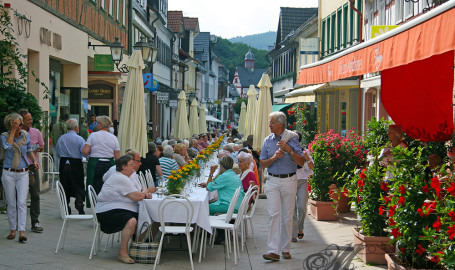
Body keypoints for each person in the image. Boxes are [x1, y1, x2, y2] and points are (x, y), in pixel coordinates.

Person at [259, 111, 306, 261]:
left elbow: (301, 162)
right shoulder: (268, 140)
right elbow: (262, 163)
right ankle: (273, 250)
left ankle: (285, 249)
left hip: (289, 180)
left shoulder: (292, 139)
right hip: (272, 180)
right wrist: (273, 158)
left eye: (272, 122)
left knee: (287, 216)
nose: (269, 125)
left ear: (280, 124)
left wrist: (288, 150)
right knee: (274, 215)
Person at [95, 155, 153, 264]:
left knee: (145, 217)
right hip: (107, 213)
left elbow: (138, 193)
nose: (133, 166)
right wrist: (145, 192)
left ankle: (136, 246)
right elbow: (136, 196)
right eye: (131, 164)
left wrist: (143, 192)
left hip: (117, 209)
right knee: (132, 220)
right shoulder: (120, 178)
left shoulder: (124, 177)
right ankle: (123, 253)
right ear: (123, 166)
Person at [1, 113, 39, 243]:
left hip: (23, 172)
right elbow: (7, 147)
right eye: (16, 124)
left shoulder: (25, 135)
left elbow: (29, 150)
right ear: (10, 124)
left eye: (20, 124)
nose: (19, 127)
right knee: (11, 202)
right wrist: (12, 131)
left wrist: (34, 161)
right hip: (9, 172)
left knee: (22, 202)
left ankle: (22, 231)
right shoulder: (4, 136)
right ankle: (13, 229)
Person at [18, 109, 44, 233]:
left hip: (32, 166)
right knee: (19, 197)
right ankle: (18, 223)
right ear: (21, 121)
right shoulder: (16, 134)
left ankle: (35, 221)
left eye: (31, 119)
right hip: (19, 166)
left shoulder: (36, 132)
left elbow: (42, 146)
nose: (31, 121)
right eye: (28, 119)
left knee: (35, 194)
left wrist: (38, 149)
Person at [82, 115, 120, 199]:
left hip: (95, 162)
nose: (96, 125)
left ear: (100, 124)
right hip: (109, 163)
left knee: (93, 184)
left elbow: (85, 151)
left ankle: (93, 201)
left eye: (97, 123)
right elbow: (117, 156)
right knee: (108, 184)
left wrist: (91, 153)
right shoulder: (114, 138)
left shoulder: (93, 135)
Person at [55, 119, 86, 215]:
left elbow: (57, 152)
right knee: (78, 184)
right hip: (76, 163)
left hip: (64, 163)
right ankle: (79, 204)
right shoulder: (80, 139)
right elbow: (84, 152)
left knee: (65, 184)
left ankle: (66, 205)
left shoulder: (61, 138)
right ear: (76, 127)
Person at [292, 132, 314, 242]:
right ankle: (293, 233)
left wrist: (307, 158)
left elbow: (312, 167)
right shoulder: (288, 151)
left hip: (302, 181)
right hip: (290, 181)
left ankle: (300, 228)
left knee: (302, 207)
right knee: (292, 208)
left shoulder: (304, 151)